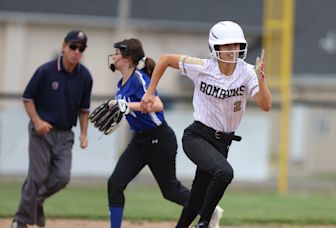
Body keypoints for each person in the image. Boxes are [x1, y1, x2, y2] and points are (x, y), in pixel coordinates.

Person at [140, 21, 272, 228]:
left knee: (197, 196)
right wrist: (149, 92)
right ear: (215, 48)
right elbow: (165, 59)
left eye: (236, 45)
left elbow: (265, 105)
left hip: (223, 143)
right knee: (225, 173)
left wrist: (261, 79)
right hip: (197, 136)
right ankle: (204, 223)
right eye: (227, 46)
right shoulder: (202, 67)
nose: (233, 50)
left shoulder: (247, 72)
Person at [106, 38, 223, 228]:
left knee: (170, 191)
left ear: (128, 58)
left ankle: (208, 210)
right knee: (115, 183)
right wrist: (118, 109)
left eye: (117, 53)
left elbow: (158, 105)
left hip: (159, 139)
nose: (114, 56)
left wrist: (127, 105)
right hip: (139, 141)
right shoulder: (122, 83)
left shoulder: (139, 79)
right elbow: (128, 110)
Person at [12, 30, 93, 228]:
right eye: (73, 47)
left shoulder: (85, 77)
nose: (76, 51)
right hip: (42, 131)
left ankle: (35, 203)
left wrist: (84, 133)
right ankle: (21, 221)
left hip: (66, 134)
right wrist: (37, 121)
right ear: (64, 47)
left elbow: (84, 110)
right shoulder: (46, 71)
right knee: (37, 176)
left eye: (81, 48)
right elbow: (27, 98)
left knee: (62, 177)